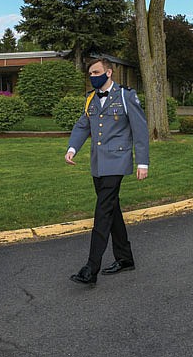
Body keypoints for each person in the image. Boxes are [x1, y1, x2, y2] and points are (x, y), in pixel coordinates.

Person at [65, 57, 149, 286]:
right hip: (98, 163)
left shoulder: (125, 95)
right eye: (90, 74)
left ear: (109, 72)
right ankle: (124, 258)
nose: (93, 76)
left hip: (118, 161)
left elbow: (140, 129)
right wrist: (72, 148)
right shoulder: (91, 99)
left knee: (102, 212)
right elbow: (83, 125)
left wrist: (143, 162)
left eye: (96, 72)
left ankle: (91, 268)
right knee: (112, 209)